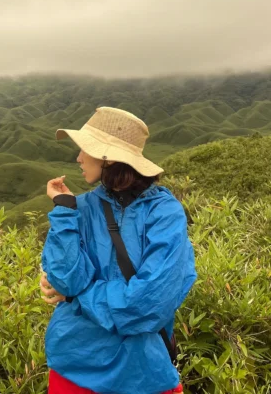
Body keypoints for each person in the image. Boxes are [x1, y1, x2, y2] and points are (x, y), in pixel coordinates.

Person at [40, 106, 197, 394]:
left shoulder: (164, 213)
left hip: (141, 374)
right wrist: (63, 210)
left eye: (84, 149)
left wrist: (78, 294)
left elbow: (148, 304)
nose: (77, 158)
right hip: (74, 368)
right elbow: (62, 280)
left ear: (107, 158)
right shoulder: (79, 209)